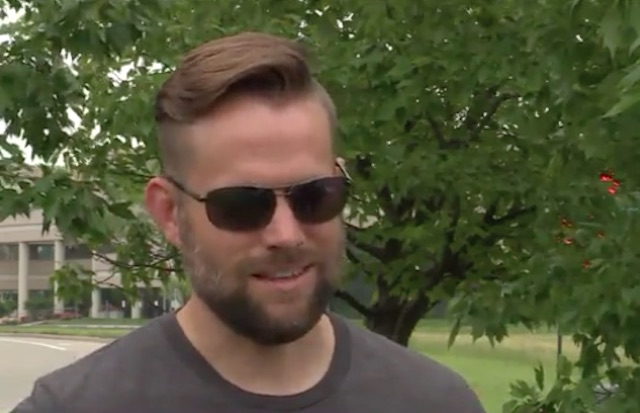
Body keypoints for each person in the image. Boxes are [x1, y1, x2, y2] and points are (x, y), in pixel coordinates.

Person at [12, 32, 486, 413]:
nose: (286, 234)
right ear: (170, 214)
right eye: (241, 204)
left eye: (314, 195)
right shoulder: (74, 406)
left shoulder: (435, 402)